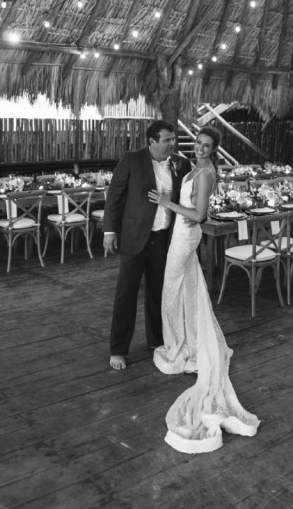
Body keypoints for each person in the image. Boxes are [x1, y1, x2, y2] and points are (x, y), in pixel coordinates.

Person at [147, 126, 259, 453]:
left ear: (213, 149)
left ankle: (176, 345)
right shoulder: (194, 167)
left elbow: (198, 215)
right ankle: (186, 338)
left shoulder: (206, 174)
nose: (200, 148)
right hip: (181, 235)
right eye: (198, 142)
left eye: (206, 145)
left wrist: (168, 203)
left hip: (185, 235)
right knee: (188, 289)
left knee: (170, 288)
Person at [102, 120, 190, 370]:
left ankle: (157, 340)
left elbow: (186, 196)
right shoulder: (131, 160)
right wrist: (109, 231)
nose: (172, 144)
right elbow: (114, 196)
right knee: (126, 294)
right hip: (133, 237)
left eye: (174, 139)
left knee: (159, 292)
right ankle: (118, 348)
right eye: (167, 140)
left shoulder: (181, 164)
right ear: (151, 141)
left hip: (164, 238)